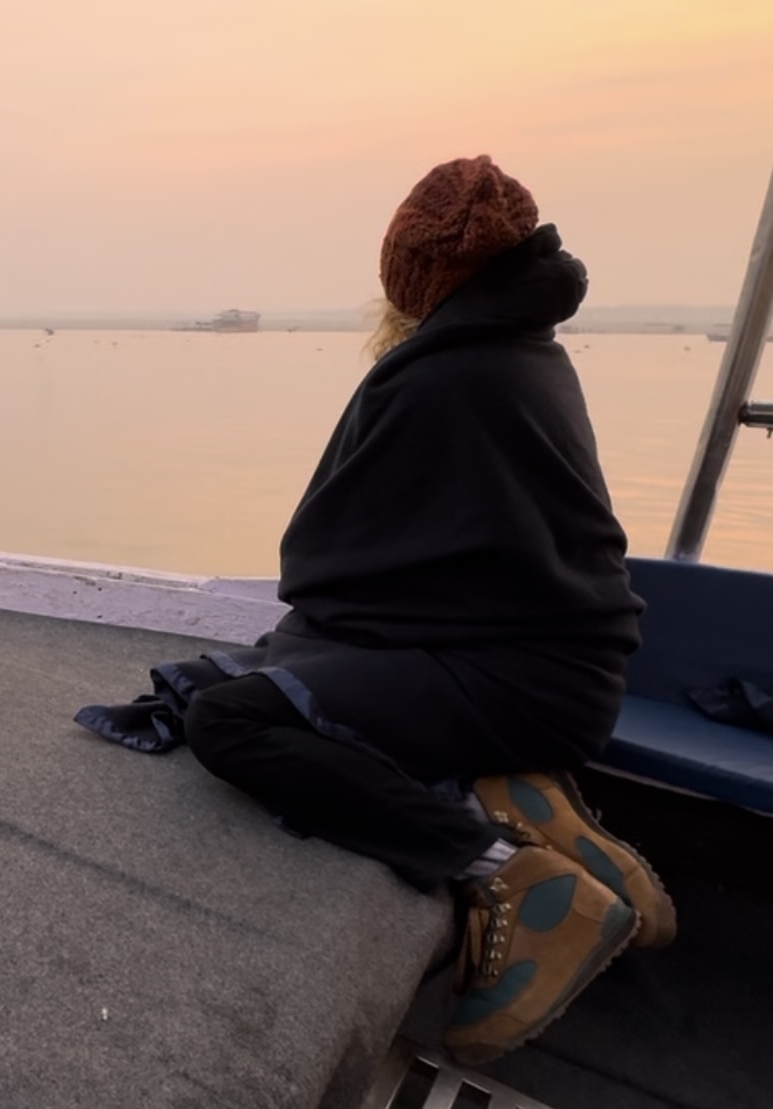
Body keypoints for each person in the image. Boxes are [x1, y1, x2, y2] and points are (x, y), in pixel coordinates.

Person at [180, 156, 673, 1065]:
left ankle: (503, 870)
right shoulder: (528, 357)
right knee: (299, 668)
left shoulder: (431, 379)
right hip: (564, 671)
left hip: (518, 681)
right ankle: (516, 791)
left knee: (234, 713)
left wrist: (299, 658)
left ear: (410, 280)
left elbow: (322, 569)